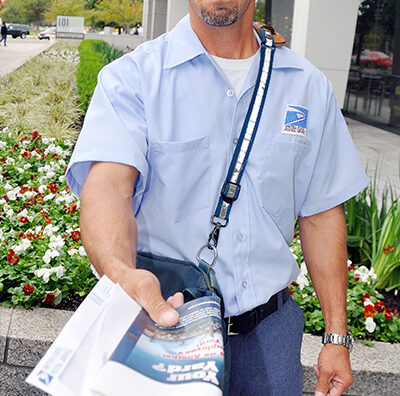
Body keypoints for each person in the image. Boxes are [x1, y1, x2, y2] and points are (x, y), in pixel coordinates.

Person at [66, 1, 368, 395]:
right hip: (167, 322)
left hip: (270, 335)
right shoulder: (134, 78)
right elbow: (108, 188)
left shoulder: (306, 85)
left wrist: (336, 337)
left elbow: (322, 213)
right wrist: (121, 273)